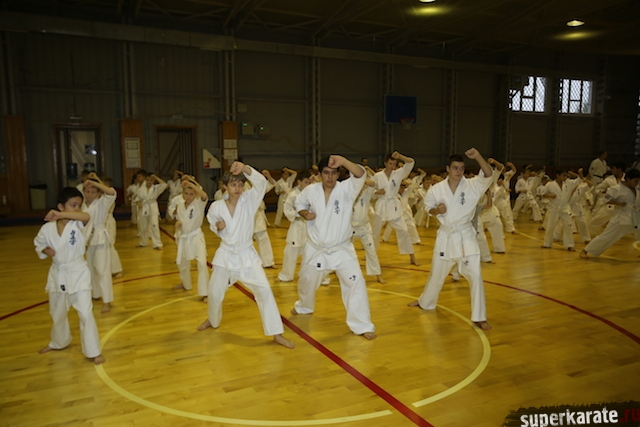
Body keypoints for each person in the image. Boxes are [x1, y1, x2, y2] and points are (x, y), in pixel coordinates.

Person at [198, 161, 294, 349]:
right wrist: (218, 228)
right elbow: (212, 222)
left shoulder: (249, 200)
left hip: (246, 255)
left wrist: (244, 168)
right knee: (215, 293)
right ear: (225, 186)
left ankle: (276, 333)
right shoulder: (217, 206)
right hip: (226, 255)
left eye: (240, 184)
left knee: (264, 291)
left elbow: (261, 182)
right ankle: (212, 320)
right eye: (233, 184)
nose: (237, 188)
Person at [291, 155, 377, 340]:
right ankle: (304, 306)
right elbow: (299, 203)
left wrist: (343, 161)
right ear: (319, 174)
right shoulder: (311, 190)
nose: (330, 177)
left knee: (356, 283)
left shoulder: (347, 189)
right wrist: (305, 213)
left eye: (333, 173)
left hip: (341, 249)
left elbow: (360, 174)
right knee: (306, 281)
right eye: (326, 173)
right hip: (316, 248)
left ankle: (362, 325)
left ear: (338, 174)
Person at [408, 148, 494, 331]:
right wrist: (437, 211)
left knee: (476, 275)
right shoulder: (436, 189)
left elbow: (488, 174)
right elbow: (427, 208)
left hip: (465, 236)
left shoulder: (472, 185)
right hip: (446, 237)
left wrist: (478, 157)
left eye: (461, 168)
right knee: (437, 272)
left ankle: (479, 317)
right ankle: (425, 302)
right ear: (448, 168)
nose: (458, 171)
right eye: (455, 168)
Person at [34, 187, 105, 365]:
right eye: (73, 205)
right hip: (57, 274)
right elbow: (38, 243)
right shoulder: (47, 229)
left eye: (79, 205)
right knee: (57, 312)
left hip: (78, 272)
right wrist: (45, 250)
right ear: (60, 205)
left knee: (85, 313)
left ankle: (93, 351)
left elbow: (86, 216)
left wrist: (61, 214)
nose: (77, 209)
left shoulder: (78, 224)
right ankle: (59, 342)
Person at [371, 152, 419, 265]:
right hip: (381, 206)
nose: (392, 166)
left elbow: (411, 163)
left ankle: (412, 256)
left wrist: (401, 156)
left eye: (394, 164)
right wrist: (377, 192)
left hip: (393, 206)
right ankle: (370, 254)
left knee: (404, 230)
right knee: (375, 232)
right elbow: (371, 192)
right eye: (390, 164)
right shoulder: (377, 176)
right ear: (385, 163)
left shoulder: (398, 173)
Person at [581, 169, 640, 258]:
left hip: (635, 216)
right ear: (628, 179)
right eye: (635, 181)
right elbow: (605, 200)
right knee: (607, 236)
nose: (637, 183)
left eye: (638, 181)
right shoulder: (617, 188)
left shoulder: (637, 188)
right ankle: (585, 251)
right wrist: (617, 203)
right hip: (621, 217)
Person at [169, 175, 209, 300]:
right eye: (186, 193)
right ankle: (186, 284)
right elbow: (175, 217)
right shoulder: (180, 205)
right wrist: (177, 224)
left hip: (196, 237)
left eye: (191, 194)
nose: (188, 196)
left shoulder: (199, 204)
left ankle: (205, 292)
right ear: (183, 194)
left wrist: (191, 184)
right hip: (184, 237)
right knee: (182, 263)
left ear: (195, 194)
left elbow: (204, 195)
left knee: (201, 263)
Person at [82, 173, 117, 313]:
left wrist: (95, 182)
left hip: (100, 238)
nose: (90, 195)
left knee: (103, 270)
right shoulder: (82, 206)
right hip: (87, 240)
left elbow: (111, 192)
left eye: (93, 192)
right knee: (90, 269)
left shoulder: (102, 203)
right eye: (87, 191)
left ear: (98, 193)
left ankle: (107, 301)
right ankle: (95, 294)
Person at [277, 170, 312, 282]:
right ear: (299, 182)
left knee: (312, 253)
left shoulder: (313, 194)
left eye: (309, 182)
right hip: (296, 225)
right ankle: (285, 275)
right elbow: (287, 210)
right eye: (306, 182)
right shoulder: (292, 195)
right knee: (290, 252)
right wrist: (299, 214)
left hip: (310, 227)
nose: (308, 185)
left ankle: (313, 277)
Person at [352, 176, 386, 284]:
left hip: (364, 228)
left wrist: (361, 181)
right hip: (350, 229)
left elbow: (372, 183)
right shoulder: (347, 197)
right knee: (344, 251)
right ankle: (338, 270)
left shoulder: (365, 195)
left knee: (371, 252)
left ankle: (378, 275)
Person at [540, 169, 583, 251]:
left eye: (566, 176)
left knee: (568, 226)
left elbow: (580, 179)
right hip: (554, 208)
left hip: (565, 208)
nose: (565, 177)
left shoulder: (569, 183)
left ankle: (569, 245)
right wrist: (550, 196)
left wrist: (580, 172)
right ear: (557, 175)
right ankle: (547, 244)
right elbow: (542, 194)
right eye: (563, 175)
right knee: (550, 227)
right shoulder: (550, 184)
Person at [136, 172, 167, 249]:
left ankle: (157, 244)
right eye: (147, 180)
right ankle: (144, 242)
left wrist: (156, 177)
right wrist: (139, 203)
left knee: (154, 226)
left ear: (153, 181)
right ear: (145, 180)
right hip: (144, 208)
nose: (149, 182)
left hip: (153, 208)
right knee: (143, 227)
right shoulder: (141, 189)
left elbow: (164, 185)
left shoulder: (156, 188)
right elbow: (137, 198)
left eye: (151, 180)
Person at [101, 177, 123, 279]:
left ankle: (118, 269)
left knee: (110, 245)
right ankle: (107, 269)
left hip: (109, 222)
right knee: (103, 247)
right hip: (102, 223)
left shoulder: (110, 197)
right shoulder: (101, 197)